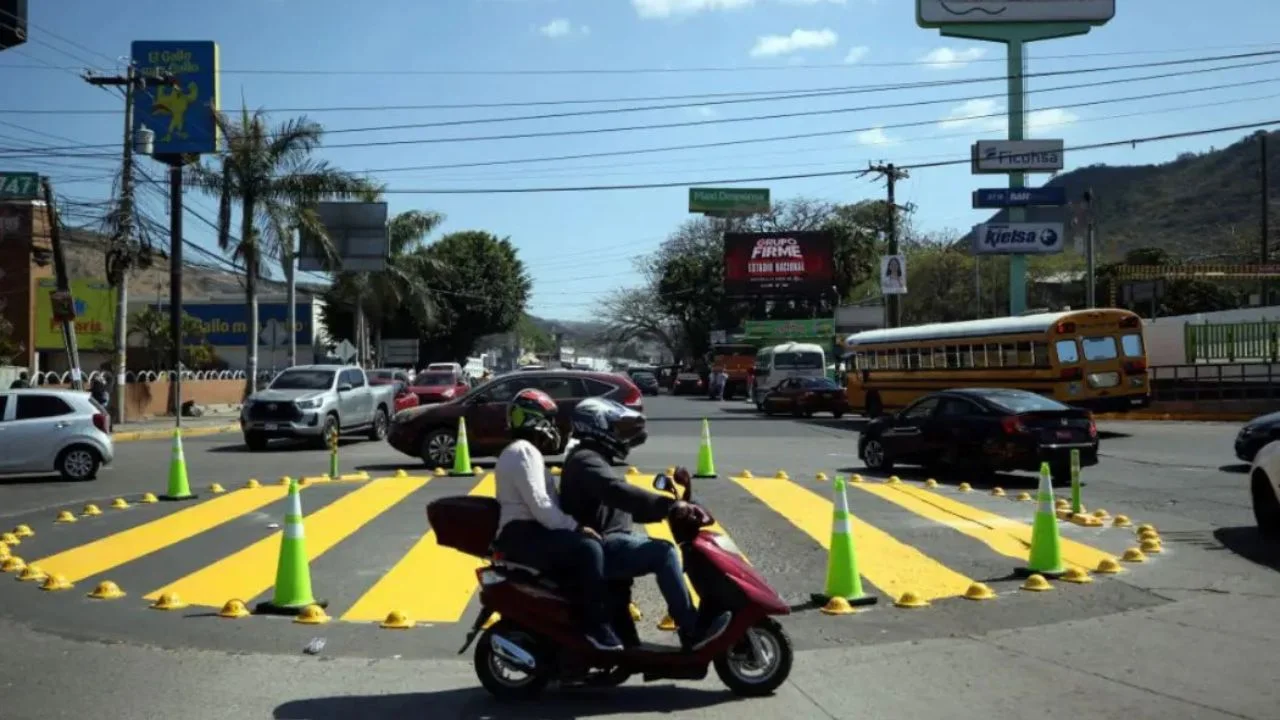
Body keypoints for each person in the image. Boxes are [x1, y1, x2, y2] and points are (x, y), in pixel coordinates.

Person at [560, 397, 733, 652]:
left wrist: (664, 510)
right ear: (596, 427)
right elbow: (617, 492)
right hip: (601, 544)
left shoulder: (593, 458)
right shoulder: (587, 460)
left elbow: (619, 504)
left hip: (605, 539)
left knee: (656, 552)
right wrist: (667, 507)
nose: (620, 435)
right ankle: (692, 628)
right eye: (615, 428)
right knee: (663, 554)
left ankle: (634, 641)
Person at [490, 388, 625, 652]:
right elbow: (540, 506)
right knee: (589, 549)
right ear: (534, 420)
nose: (553, 427)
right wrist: (576, 527)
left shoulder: (519, 451)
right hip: (524, 535)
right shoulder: (524, 452)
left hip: (525, 534)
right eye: (549, 420)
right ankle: (595, 626)